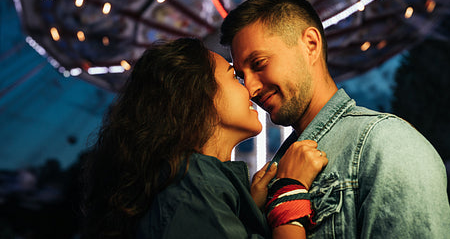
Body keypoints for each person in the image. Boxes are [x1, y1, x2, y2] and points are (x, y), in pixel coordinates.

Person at [220, 0, 450, 238]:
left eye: (259, 64)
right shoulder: (273, 176)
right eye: (241, 76)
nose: (251, 89)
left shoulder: (385, 143)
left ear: (310, 45)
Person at [81, 37, 328, 239]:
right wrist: (289, 193)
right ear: (199, 97)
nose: (250, 89)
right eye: (234, 77)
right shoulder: (191, 187)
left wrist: (245, 210)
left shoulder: (189, 184)